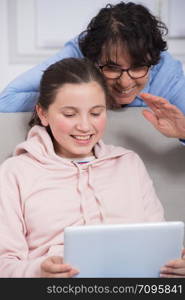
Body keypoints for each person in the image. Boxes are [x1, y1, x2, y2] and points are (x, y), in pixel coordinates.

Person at [0, 58, 184, 278]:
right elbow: (5, 263)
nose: (85, 126)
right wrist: (38, 272)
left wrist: (175, 265)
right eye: (69, 114)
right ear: (43, 114)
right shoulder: (16, 172)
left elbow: (159, 243)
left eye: (96, 113)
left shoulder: (128, 164)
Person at [1, 1, 185, 141]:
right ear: (91, 58)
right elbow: (7, 101)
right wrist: (83, 98)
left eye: (138, 67)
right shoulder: (75, 56)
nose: (125, 83)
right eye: (112, 68)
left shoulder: (167, 72)